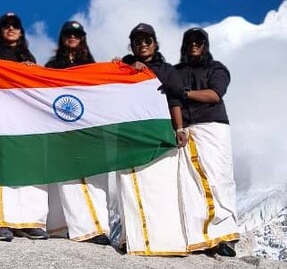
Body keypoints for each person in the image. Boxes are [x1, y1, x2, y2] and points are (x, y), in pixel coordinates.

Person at [115, 23, 190, 255]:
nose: (143, 45)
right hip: (129, 133)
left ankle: (167, 241)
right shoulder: (123, 66)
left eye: (147, 41)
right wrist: (122, 66)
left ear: (155, 43)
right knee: (129, 182)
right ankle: (133, 238)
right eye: (138, 42)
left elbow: (174, 100)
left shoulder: (167, 70)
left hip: (160, 132)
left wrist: (179, 129)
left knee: (161, 185)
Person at [0, 12, 50, 241]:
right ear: (0, 30)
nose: (11, 29)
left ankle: (29, 221)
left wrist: (31, 71)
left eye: (15, 26)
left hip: (23, 119)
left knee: (28, 166)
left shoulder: (27, 56)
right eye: (6, 26)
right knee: (0, 164)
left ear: (21, 31)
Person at [174, 27, 241, 256]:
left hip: (213, 127)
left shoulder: (216, 68)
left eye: (199, 41)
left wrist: (184, 94)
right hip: (187, 129)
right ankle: (198, 237)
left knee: (218, 178)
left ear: (205, 44)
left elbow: (215, 94)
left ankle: (223, 236)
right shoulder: (176, 71)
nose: (194, 45)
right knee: (190, 184)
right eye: (190, 41)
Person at [43, 20, 111, 245]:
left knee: (94, 178)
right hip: (62, 127)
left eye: (77, 34)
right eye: (68, 34)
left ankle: (99, 226)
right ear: (62, 38)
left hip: (88, 130)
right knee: (68, 179)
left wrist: (120, 67)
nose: (72, 37)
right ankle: (79, 228)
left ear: (83, 39)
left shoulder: (92, 66)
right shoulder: (52, 65)